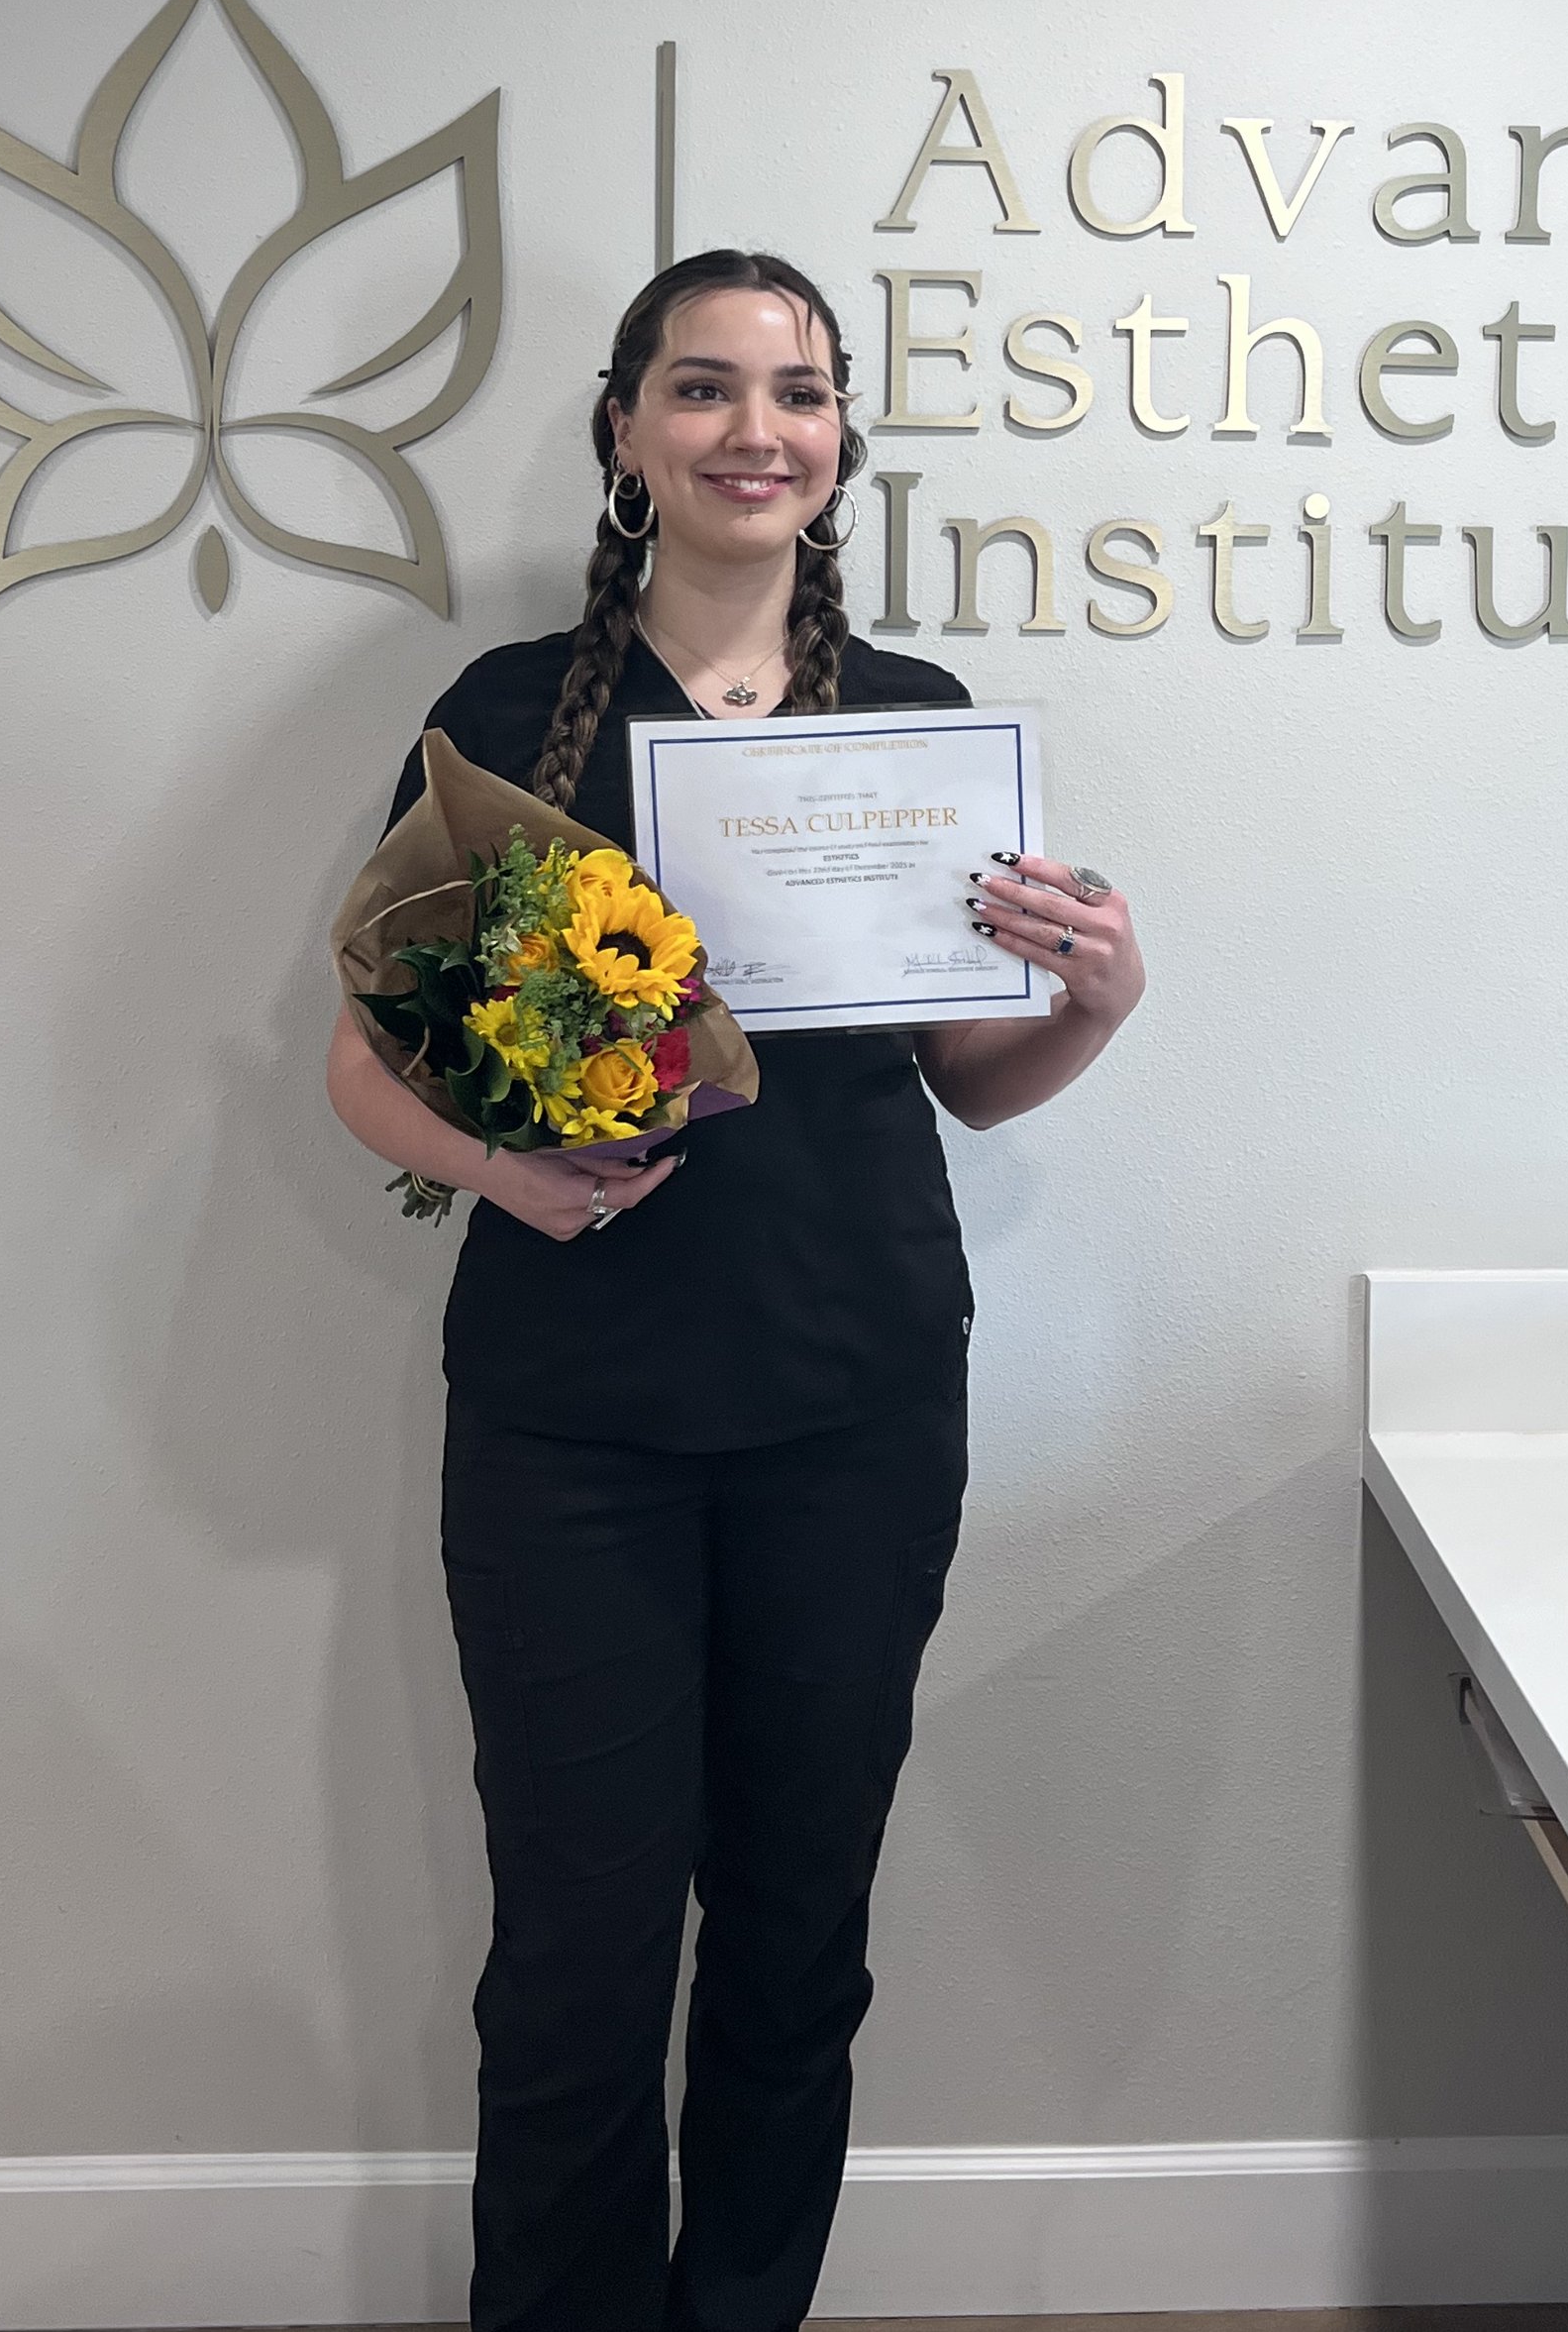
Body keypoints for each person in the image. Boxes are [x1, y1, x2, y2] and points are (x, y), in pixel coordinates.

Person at [325, 248, 1145, 2332]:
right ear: (625, 430)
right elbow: (361, 1060)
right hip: (570, 1422)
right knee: (578, 1960)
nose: (751, 428)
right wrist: (505, 1169)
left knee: (795, 1940)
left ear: (840, 437)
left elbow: (969, 1078)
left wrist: (1094, 1000)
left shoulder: (921, 726)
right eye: (700, 387)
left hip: (855, 1406)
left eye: (794, 390)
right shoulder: (504, 717)